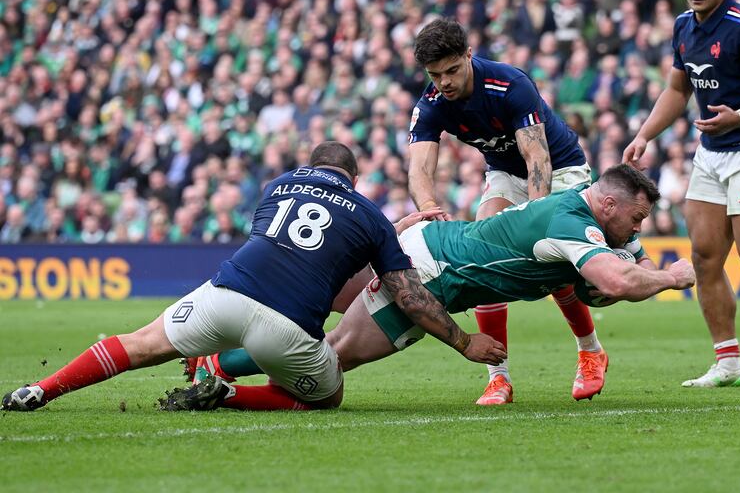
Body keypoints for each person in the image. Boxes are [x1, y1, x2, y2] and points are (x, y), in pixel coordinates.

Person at [2, 142, 506, 412]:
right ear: (353, 180)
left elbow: (298, 243)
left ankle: (42, 390)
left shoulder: (277, 185)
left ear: (311, 169)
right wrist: (465, 343)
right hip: (285, 329)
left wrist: (382, 233)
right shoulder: (366, 210)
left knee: (139, 343)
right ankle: (230, 393)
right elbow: (406, 293)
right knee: (327, 398)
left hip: (225, 292)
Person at [164, 164, 696, 412]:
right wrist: (670, 276)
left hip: (436, 249)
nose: (638, 229)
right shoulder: (571, 226)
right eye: (637, 218)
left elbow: (613, 269)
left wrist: (637, 258)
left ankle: (220, 369)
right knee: (329, 363)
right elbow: (611, 281)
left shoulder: (580, 200)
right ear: (607, 205)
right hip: (433, 272)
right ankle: (221, 373)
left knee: (324, 352)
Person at [407, 18, 601, 405]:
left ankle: (590, 351)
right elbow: (419, 168)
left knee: (551, 256)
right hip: (504, 174)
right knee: (481, 257)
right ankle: (499, 379)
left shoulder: (510, 84)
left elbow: (537, 159)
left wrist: (533, 221)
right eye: (435, 75)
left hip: (559, 170)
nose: (444, 82)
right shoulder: (431, 104)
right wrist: (428, 207)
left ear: (468, 55)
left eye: (452, 70)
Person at [622, 0, 740, 387]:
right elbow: (676, 89)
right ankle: (728, 363)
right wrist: (645, 134)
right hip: (711, 154)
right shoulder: (684, 25)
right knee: (704, 257)